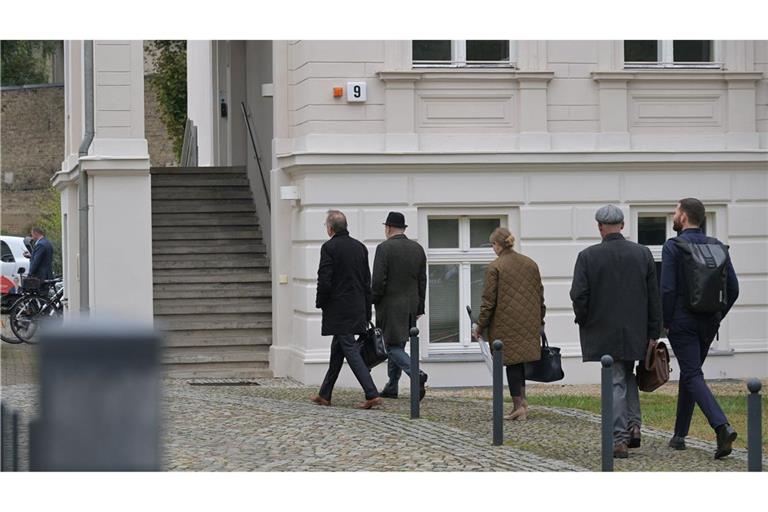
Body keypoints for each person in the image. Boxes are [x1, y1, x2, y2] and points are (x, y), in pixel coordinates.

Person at [570, 205, 661, 458]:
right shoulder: (642, 254)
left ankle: (619, 438)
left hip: (603, 330)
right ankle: (633, 426)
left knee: (617, 380)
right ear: (622, 226)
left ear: (600, 227)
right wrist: (654, 333)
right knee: (628, 375)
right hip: (637, 330)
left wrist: (584, 319)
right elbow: (654, 298)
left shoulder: (587, 256)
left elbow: (579, 295)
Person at [662, 198, 739, 459]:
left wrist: (666, 322)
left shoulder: (673, 246)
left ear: (683, 217)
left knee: (692, 374)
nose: (674, 215)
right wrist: (717, 316)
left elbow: (668, 289)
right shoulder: (717, 246)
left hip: (682, 323)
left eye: (675, 211)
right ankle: (679, 435)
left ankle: (721, 426)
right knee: (690, 373)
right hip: (708, 322)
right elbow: (733, 289)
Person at [311, 210, 382, 409]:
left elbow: (324, 279)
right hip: (357, 308)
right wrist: (367, 311)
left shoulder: (329, 247)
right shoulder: (360, 247)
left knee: (350, 350)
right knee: (338, 350)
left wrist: (320, 301)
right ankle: (324, 395)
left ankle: (371, 393)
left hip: (339, 309)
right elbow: (366, 282)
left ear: (330, 228)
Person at [475, 227, 545, 421]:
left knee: (512, 364)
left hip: (506, 324)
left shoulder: (495, 267)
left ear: (497, 245)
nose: (492, 249)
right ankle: (522, 402)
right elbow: (540, 294)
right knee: (520, 363)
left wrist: (480, 326)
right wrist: (541, 320)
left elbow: (489, 301)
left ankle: (518, 406)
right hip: (529, 323)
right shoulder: (530, 263)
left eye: (492, 245)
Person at [372, 212, 428, 400]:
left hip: (390, 305)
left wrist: (373, 300)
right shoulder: (417, 249)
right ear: (403, 228)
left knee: (390, 346)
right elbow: (422, 280)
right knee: (398, 344)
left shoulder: (384, 248)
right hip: (411, 305)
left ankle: (416, 373)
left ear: (388, 228)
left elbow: (378, 281)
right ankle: (392, 386)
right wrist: (420, 306)